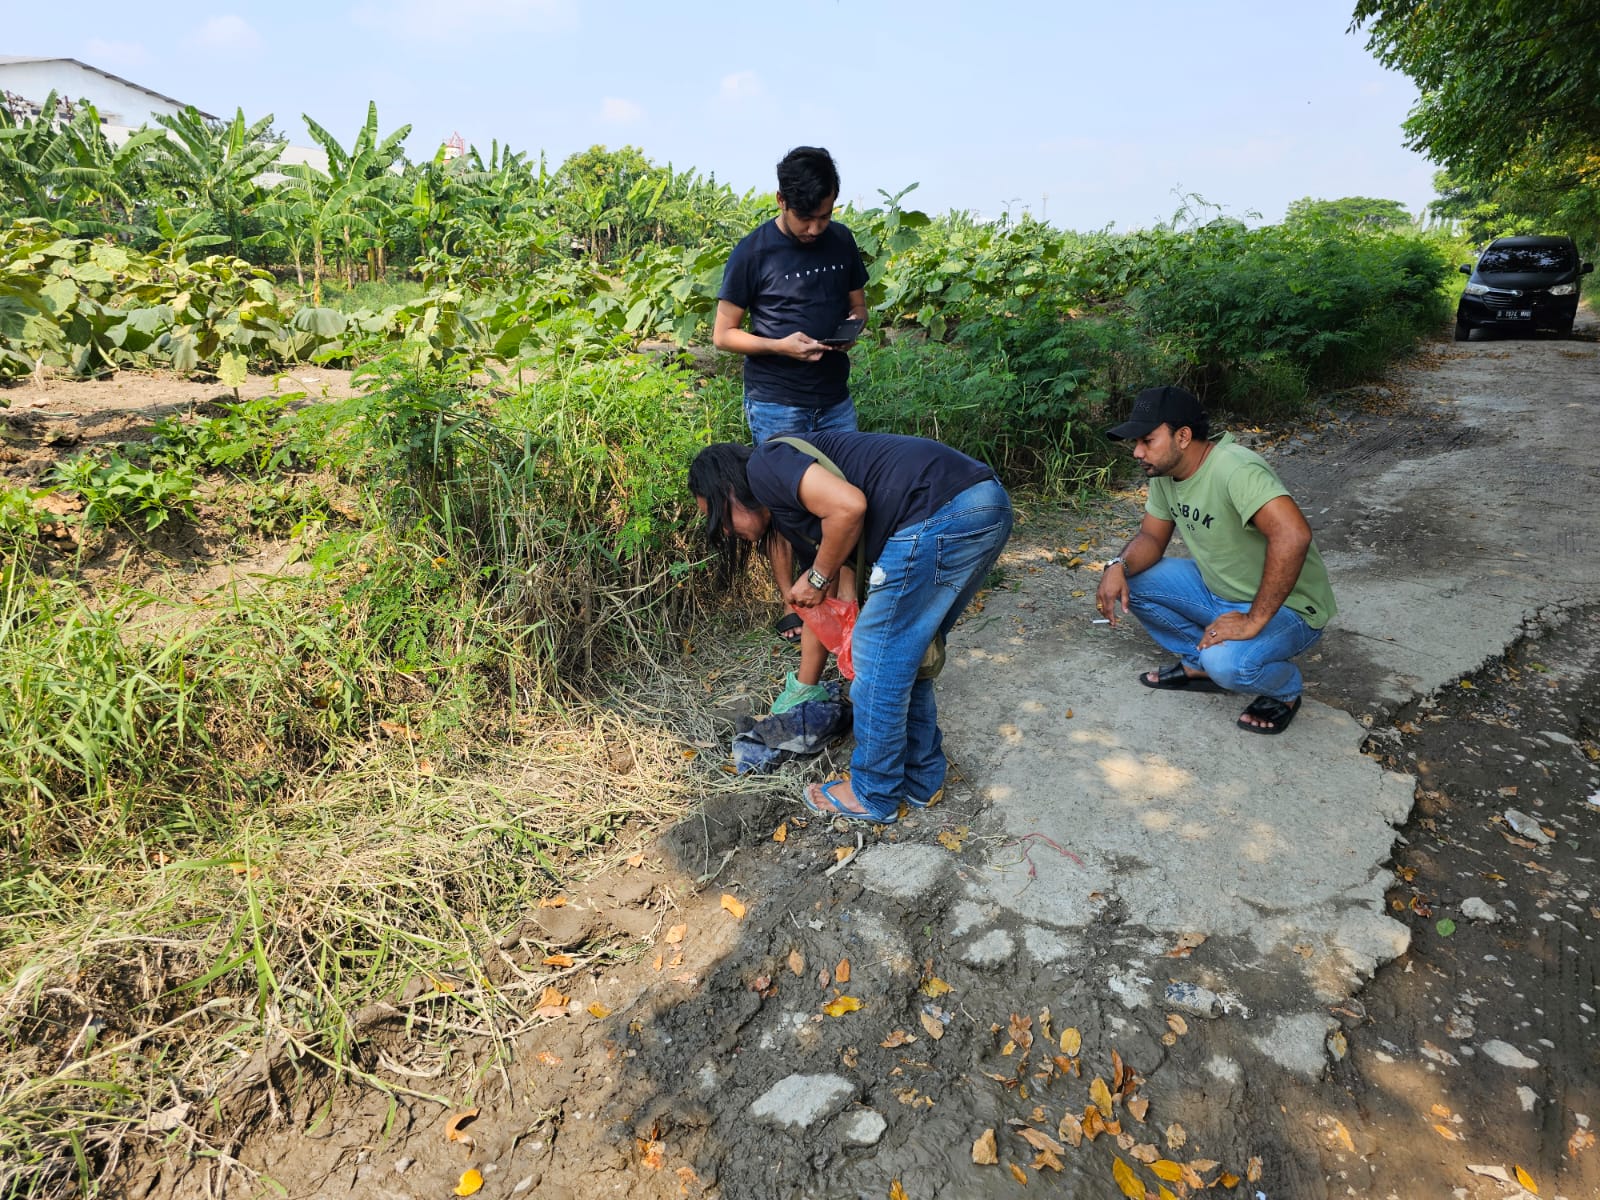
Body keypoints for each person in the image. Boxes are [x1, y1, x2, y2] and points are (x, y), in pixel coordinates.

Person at [688, 432, 1012, 823]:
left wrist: (819, 578)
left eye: (718, 517)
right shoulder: (793, 512)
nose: (723, 532)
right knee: (908, 655)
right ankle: (921, 779)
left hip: (940, 511)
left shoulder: (765, 464)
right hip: (981, 505)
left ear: (728, 489)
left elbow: (849, 506)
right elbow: (846, 570)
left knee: (878, 657)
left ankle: (872, 792)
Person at [1094, 385, 1336, 735]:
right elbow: (1150, 539)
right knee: (1129, 580)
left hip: (1292, 609)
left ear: (1183, 436)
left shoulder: (1235, 469)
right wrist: (1116, 565)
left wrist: (1253, 620)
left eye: (1147, 440)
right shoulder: (1166, 474)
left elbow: (1293, 535)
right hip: (1218, 593)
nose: (1136, 452)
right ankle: (1199, 664)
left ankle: (1284, 690)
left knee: (1228, 665)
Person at [714, 146, 869, 663]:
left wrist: (849, 335)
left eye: (826, 215)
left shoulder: (841, 241)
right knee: (783, 505)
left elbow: (857, 308)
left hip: (833, 400)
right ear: (781, 200)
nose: (816, 228)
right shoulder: (753, 252)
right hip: (777, 401)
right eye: (807, 218)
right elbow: (723, 335)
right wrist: (780, 346)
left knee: (842, 500)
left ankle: (844, 598)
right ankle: (792, 602)